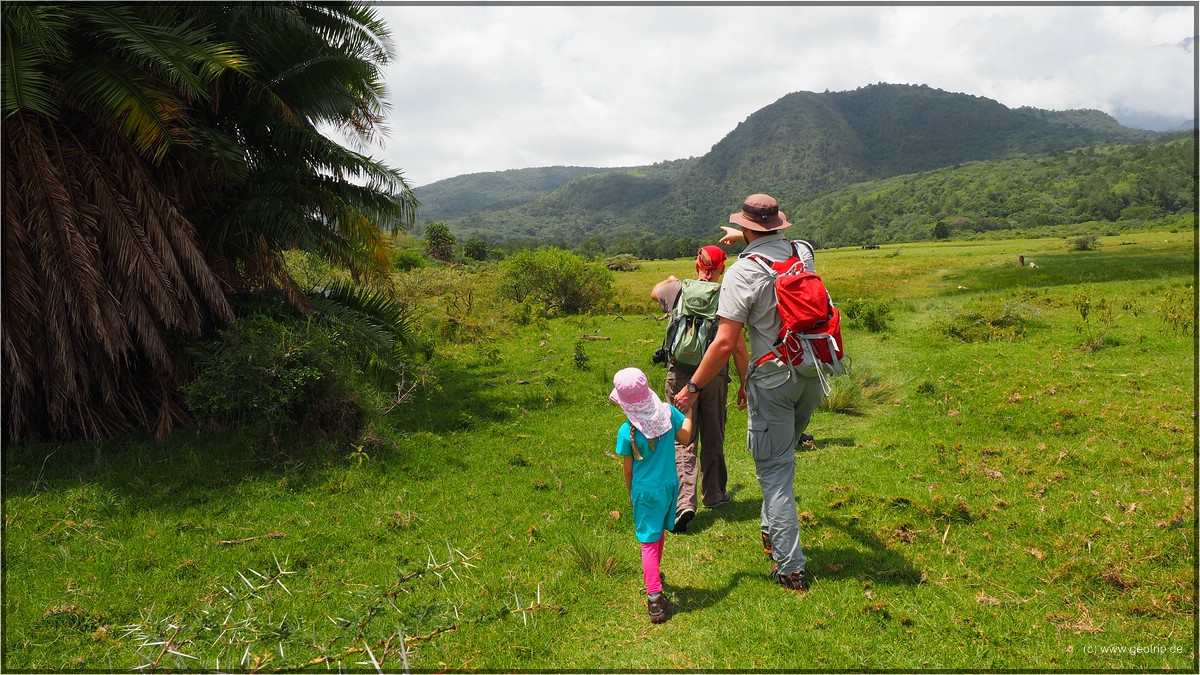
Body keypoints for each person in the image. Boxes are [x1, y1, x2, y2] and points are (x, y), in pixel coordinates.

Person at [673, 193, 821, 593]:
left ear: (747, 227)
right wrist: (750, 237)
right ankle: (771, 532)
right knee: (782, 458)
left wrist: (692, 387)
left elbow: (724, 343)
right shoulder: (802, 254)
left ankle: (791, 568)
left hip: (773, 378)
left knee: (774, 475)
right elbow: (781, 244)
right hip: (812, 373)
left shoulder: (741, 272)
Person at [650, 246, 748, 532]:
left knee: (684, 437)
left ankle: (684, 503)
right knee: (714, 433)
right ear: (722, 268)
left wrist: (669, 279)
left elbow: (654, 292)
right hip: (715, 376)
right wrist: (744, 383)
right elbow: (739, 348)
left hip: (680, 374)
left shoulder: (677, 290)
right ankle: (715, 495)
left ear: (697, 265)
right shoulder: (726, 297)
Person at [609, 367, 696, 623]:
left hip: (644, 492)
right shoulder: (669, 415)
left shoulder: (626, 433)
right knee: (657, 534)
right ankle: (654, 573)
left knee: (647, 541)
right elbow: (686, 436)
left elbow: (628, 472)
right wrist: (688, 410)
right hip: (669, 487)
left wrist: (630, 494)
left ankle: (655, 598)